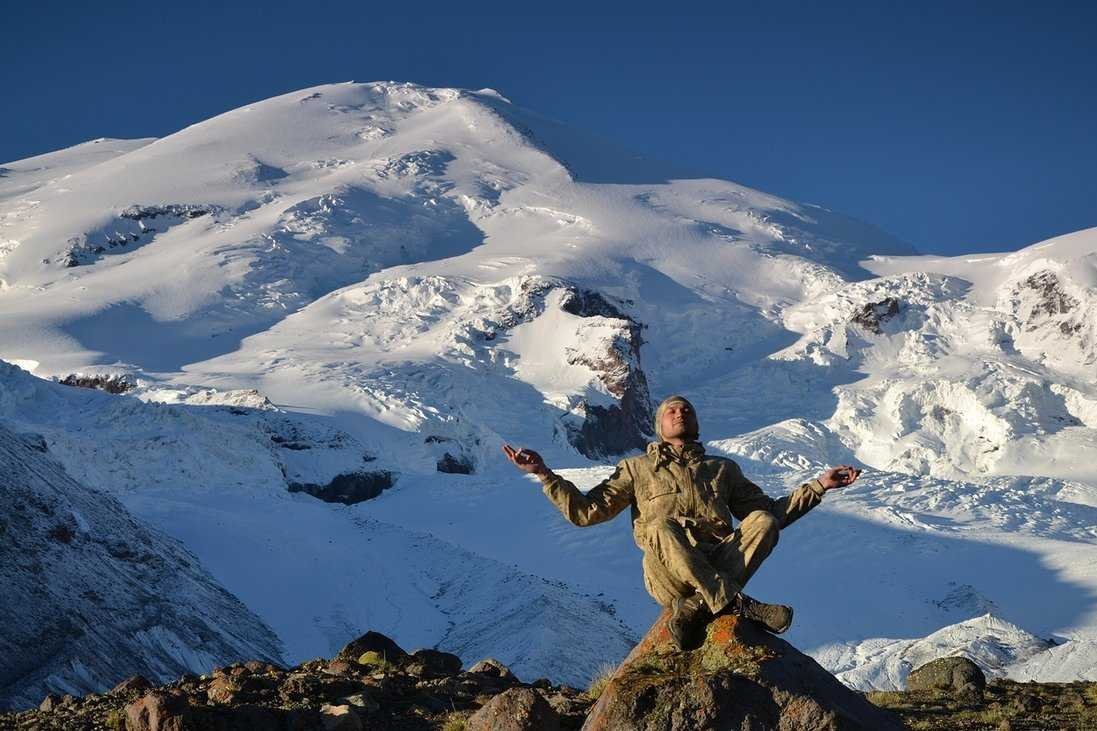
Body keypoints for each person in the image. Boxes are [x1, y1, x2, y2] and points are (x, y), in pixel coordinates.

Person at [502, 394, 862, 651]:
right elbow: (585, 513)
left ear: (696, 422)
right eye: (671, 410)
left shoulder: (722, 470)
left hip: (718, 560)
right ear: (659, 426)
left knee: (764, 521)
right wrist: (544, 474)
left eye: (686, 410)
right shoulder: (636, 469)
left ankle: (698, 607)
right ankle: (738, 603)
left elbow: (774, 513)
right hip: (666, 572)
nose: (679, 413)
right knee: (659, 526)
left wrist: (820, 486)